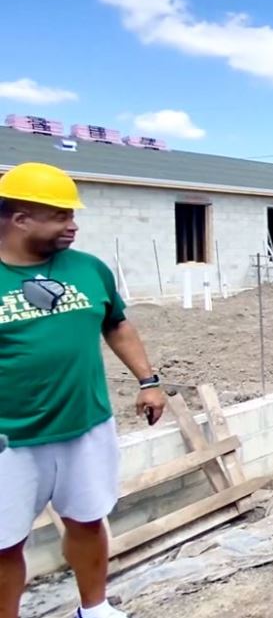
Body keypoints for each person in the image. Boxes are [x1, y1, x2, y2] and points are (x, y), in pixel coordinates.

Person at [0, 162, 166, 618]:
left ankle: (93, 608)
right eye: (60, 216)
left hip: (85, 425)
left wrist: (148, 381)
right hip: (9, 439)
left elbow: (117, 324)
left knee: (89, 520)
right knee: (4, 543)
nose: (73, 225)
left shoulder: (88, 269)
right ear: (19, 218)